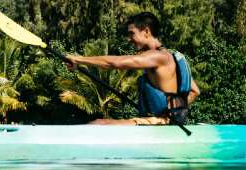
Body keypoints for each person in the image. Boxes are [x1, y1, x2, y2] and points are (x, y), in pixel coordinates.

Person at [67, 12, 200, 125]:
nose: (129, 39)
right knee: (101, 123)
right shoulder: (174, 56)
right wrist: (172, 111)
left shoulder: (157, 56)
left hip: (159, 123)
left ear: (146, 31)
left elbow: (114, 63)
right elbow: (195, 91)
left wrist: (78, 59)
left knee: (99, 124)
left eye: (132, 33)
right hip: (167, 123)